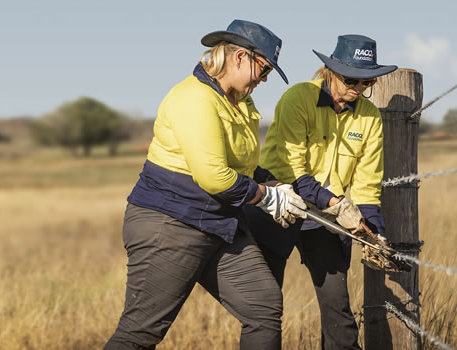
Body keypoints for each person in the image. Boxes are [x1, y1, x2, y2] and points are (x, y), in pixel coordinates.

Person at [105, 19, 308, 350]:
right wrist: (264, 198)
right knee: (141, 332)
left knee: (263, 306)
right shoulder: (194, 98)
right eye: (264, 69)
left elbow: (242, 163)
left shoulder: (240, 101)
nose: (265, 80)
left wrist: (272, 185)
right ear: (240, 57)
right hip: (171, 223)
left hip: (219, 223)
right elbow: (214, 175)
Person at [246, 34, 397, 350]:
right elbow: (295, 172)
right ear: (330, 70)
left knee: (338, 308)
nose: (357, 88)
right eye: (351, 79)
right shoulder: (297, 98)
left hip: (325, 217)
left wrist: (373, 232)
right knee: (265, 307)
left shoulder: (370, 117)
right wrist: (336, 203)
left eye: (366, 82)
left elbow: (368, 183)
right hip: (279, 203)